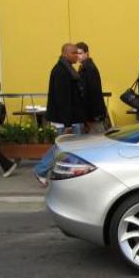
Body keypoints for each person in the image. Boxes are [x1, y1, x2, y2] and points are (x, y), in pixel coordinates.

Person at [34, 43, 85, 186]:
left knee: (68, 149)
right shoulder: (61, 72)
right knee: (62, 149)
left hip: (71, 119)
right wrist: (67, 124)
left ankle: (68, 175)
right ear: (65, 54)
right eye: (74, 53)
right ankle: (41, 170)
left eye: (77, 53)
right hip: (67, 120)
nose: (77, 55)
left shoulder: (67, 69)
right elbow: (63, 100)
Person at [76, 42, 107, 133]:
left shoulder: (88, 68)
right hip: (93, 113)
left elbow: (90, 93)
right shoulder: (85, 67)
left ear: (87, 53)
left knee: (97, 140)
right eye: (76, 53)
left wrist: (87, 116)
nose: (78, 56)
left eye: (80, 53)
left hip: (93, 114)